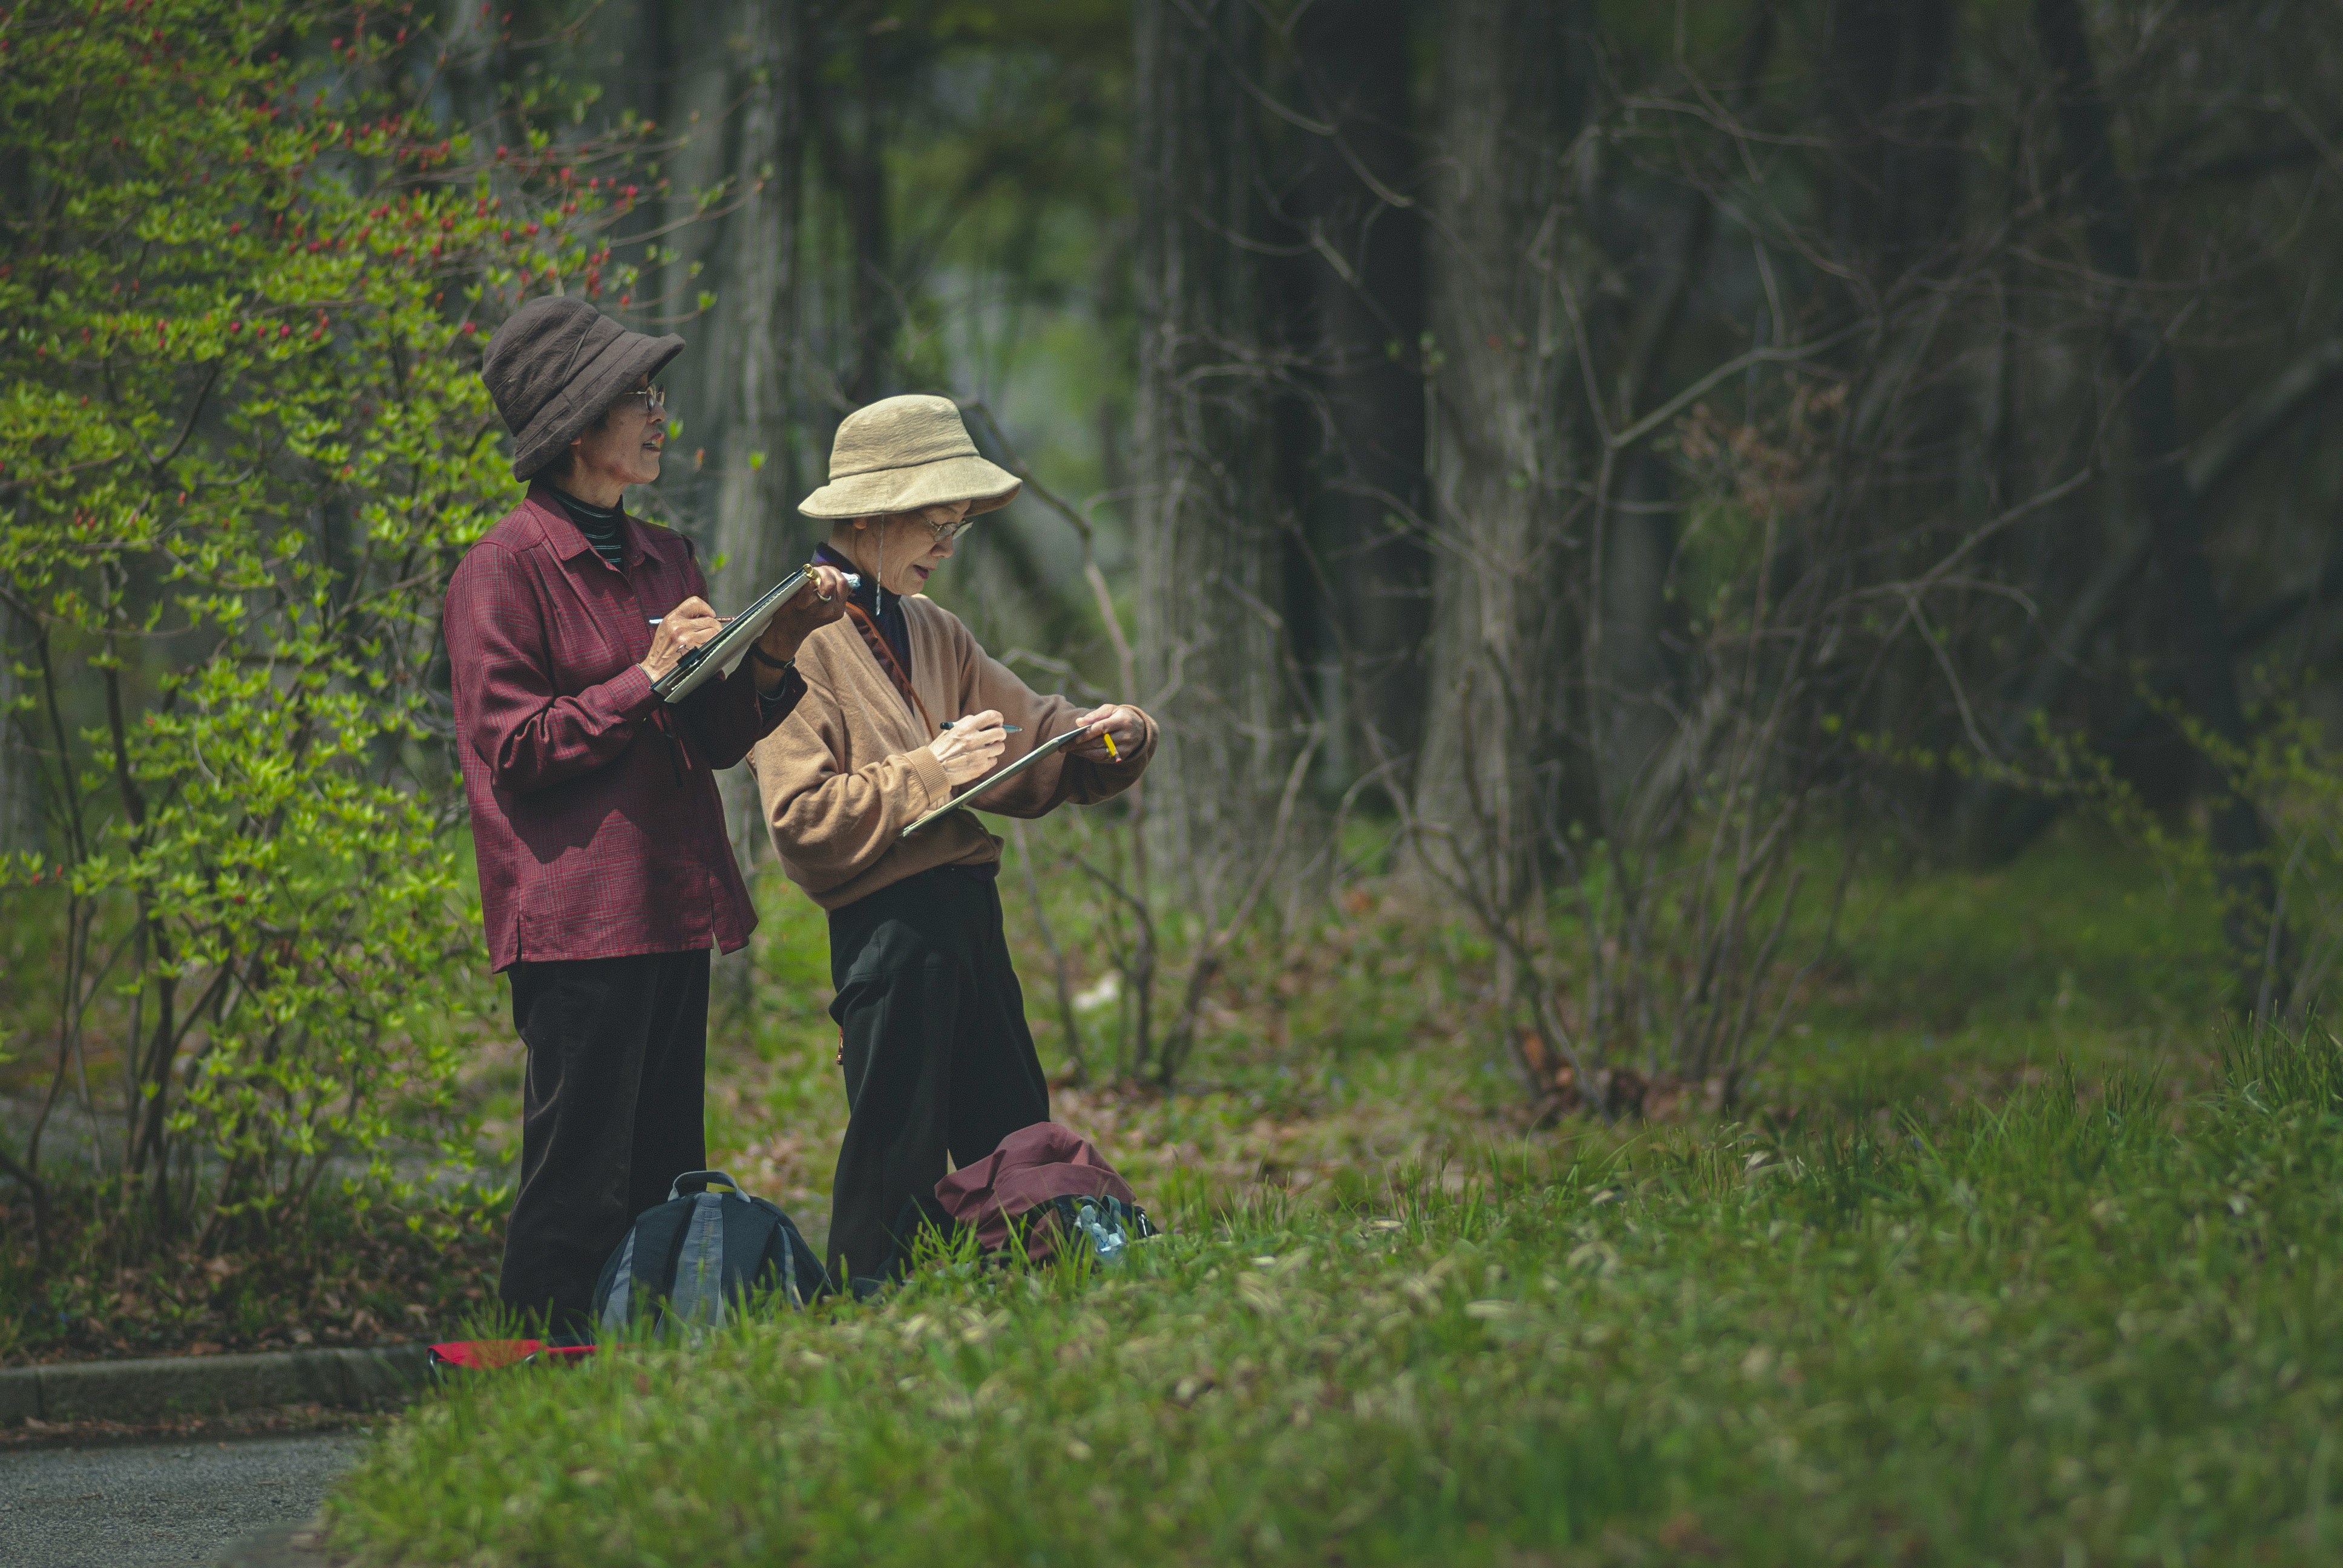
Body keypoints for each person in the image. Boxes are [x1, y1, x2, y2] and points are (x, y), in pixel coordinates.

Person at [445, 295, 850, 1338]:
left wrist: (777, 644)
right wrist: (647, 674)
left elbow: (713, 737)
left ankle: (644, 1378)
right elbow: (517, 749)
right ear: (579, 426)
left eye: (655, 393)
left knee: (667, 1171)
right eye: (639, 397)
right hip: (577, 922)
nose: (660, 414)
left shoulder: (666, 557)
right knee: (576, 1177)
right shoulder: (501, 569)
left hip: (673, 904)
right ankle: (540, 1376)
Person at [749, 394, 1155, 1288]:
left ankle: (1030, 1287)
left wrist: (1101, 736)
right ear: (872, 514)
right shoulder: (790, 642)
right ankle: (866, 1318)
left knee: (1012, 1124)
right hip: (887, 933)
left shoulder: (933, 626)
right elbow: (804, 827)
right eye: (936, 522)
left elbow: (1028, 736)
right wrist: (932, 771)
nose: (946, 543)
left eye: (958, 525)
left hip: (968, 913)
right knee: (893, 1150)